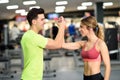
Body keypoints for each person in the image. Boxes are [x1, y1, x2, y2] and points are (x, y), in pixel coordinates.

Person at [20, 8, 66, 80]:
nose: (44, 22)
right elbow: (57, 44)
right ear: (34, 22)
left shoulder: (30, 35)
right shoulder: (33, 37)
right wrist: (62, 26)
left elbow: (59, 43)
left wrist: (60, 27)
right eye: (42, 19)